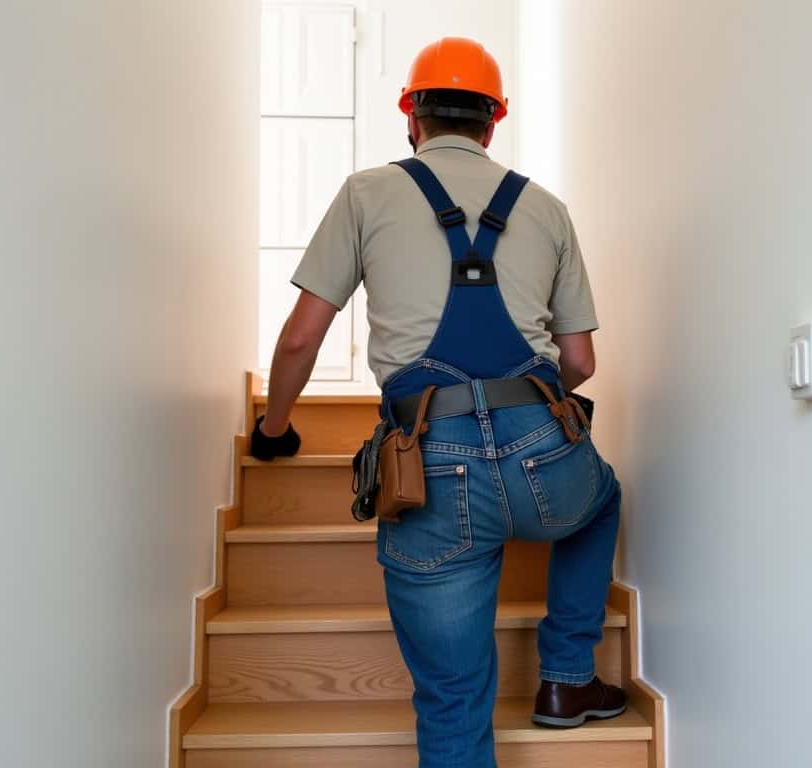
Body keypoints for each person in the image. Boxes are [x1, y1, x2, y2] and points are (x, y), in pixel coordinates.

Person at [250, 36, 625, 767]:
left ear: (411, 118)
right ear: (493, 124)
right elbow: (578, 361)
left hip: (430, 467)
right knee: (601, 497)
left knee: (453, 701)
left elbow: (299, 342)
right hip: (544, 458)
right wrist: (522, 413)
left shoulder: (366, 192)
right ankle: (568, 680)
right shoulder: (545, 208)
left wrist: (274, 430)